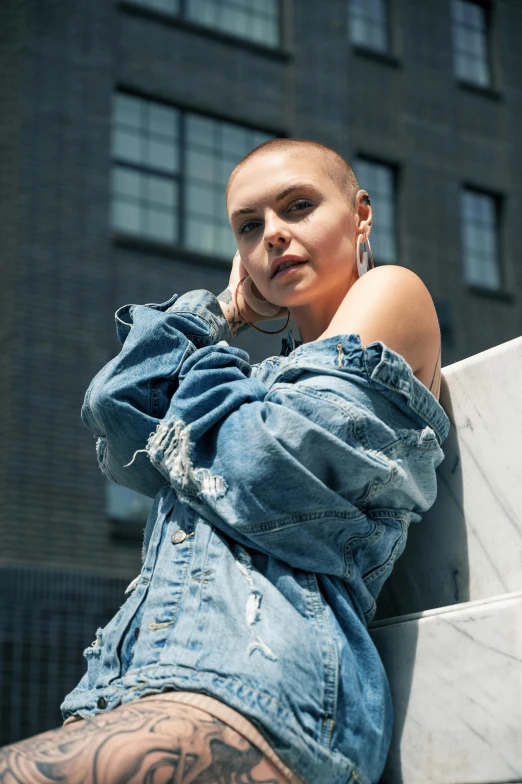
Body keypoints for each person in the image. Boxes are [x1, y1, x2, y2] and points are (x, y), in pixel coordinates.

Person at [0, 139, 448, 784]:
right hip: (130, 686)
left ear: (361, 215)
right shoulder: (251, 384)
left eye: (298, 206)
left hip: (271, 690)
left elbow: (257, 467)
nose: (273, 236)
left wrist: (206, 365)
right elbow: (117, 407)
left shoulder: (391, 291)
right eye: (249, 226)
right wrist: (223, 312)